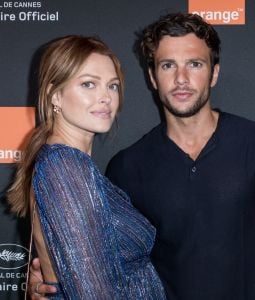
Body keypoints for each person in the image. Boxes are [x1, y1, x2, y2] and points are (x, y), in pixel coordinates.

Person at [29, 13, 255, 300]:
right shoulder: (124, 166)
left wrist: (59, 283)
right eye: (168, 65)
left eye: (194, 64)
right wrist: (57, 284)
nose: (181, 79)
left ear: (214, 73)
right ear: (152, 76)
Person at [7, 35, 166, 299]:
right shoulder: (64, 165)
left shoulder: (69, 164)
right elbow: (94, 293)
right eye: (89, 84)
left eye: (112, 86)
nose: (105, 97)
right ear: (54, 95)